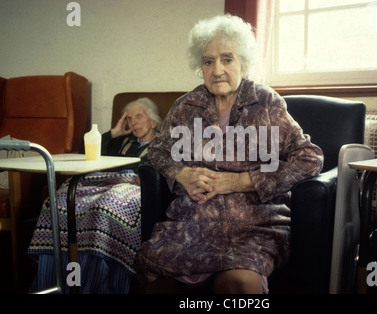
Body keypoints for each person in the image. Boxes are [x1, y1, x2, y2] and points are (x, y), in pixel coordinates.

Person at [133, 14, 324, 294]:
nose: (217, 69)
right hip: (193, 223)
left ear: (243, 63)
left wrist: (242, 181)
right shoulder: (187, 106)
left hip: (254, 223)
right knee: (152, 274)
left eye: (227, 59)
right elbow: (159, 150)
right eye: (208, 61)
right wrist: (182, 173)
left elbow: (309, 158)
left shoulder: (266, 103)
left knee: (235, 284)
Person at [27, 97, 162, 294]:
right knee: (58, 202)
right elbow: (84, 155)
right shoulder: (121, 142)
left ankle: (92, 285)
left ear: (153, 121)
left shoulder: (163, 144)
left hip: (132, 187)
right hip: (102, 182)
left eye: (138, 116)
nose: (133, 122)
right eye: (129, 118)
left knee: (104, 208)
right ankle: (58, 281)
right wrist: (114, 132)